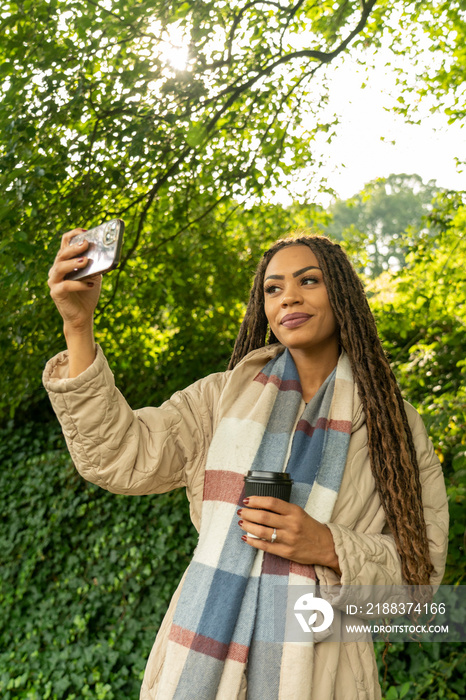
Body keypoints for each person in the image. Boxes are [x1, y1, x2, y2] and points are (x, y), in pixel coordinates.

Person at [43, 231, 449, 700]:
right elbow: (117, 456)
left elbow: (420, 592)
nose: (288, 297)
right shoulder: (221, 399)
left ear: (343, 294)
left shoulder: (393, 425)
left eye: (309, 281)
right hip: (197, 657)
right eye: (272, 288)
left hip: (325, 676)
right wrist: (78, 327)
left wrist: (328, 546)